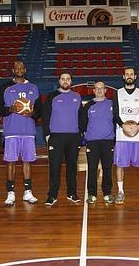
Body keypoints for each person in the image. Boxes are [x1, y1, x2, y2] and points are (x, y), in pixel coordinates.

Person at [0, 61, 40, 205]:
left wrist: (33, 114)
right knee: (10, 162)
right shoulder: (5, 87)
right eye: (16, 68)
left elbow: (39, 109)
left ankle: (27, 192)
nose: (19, 70)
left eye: (21, 68)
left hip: (28, 131)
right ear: (13, 70)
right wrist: (10, 109)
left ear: (25, 69)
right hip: (11, 131)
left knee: (27, 161)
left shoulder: (33, 87)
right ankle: (10, 193)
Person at [42, 71, 84, 206]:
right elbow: (45, 115)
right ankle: (52, 195)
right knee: (54, 168)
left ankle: (72, 193)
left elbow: (81, 117)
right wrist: (47, 134)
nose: (65, 81)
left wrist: (81, 133)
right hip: (56, 137)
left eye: (68, 79)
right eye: (63, 79)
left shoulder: (77, 96)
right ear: (59, 81)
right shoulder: (52, 96)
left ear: (71, 81)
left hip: (73, 136)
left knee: (72, 167)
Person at [112, 67, 139, 204]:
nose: (129, 76)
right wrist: (123, 126)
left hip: (138, 135)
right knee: (120, 165)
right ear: (123, 76)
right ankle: (120, 192)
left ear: (135, 76)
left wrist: (138, 125)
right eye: (127, 74)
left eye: (131, 74)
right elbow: (115, 113)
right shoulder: (117, 93)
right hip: (122, 135)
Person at [80, 81, 115, 204]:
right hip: (92, 142)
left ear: (105, 90)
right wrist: (86, 136)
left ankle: (107, 193)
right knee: (92, 169)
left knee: (107, 168)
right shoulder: (88, 105)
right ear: (93, 90)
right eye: (97, 88)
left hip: (108, 141)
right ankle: (92, 194)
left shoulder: (112, 104)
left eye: (102, 88)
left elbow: (116, 121)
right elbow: (82, 123)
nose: (99, 90)